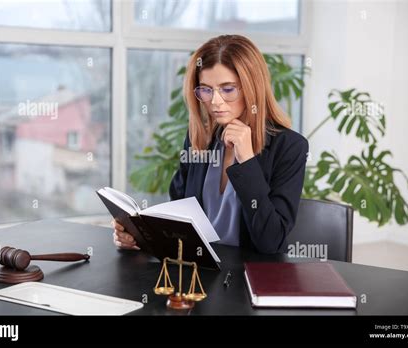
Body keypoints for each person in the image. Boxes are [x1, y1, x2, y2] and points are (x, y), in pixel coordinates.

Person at [114, 34, 308, 254]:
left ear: (252, 87)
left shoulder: (290, 147)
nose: (215, 102)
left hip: (250, 277)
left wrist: (247, 162)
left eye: (227, 89)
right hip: (199, 269)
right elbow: (176, 213)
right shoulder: (200, 138)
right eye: (206, 90)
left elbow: (271, 241)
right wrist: (139, 236)